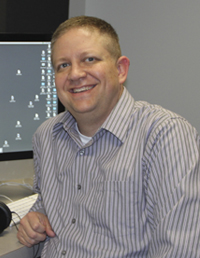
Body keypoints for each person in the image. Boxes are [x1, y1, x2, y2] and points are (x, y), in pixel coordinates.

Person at [17, 16, 200, 257]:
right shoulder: (46, 136)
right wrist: (36, 217)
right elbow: (49, 205)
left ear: (120, 69)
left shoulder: (165, 135)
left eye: (89, 59)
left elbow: (179, 250)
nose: (75, 74)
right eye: (63, 65)